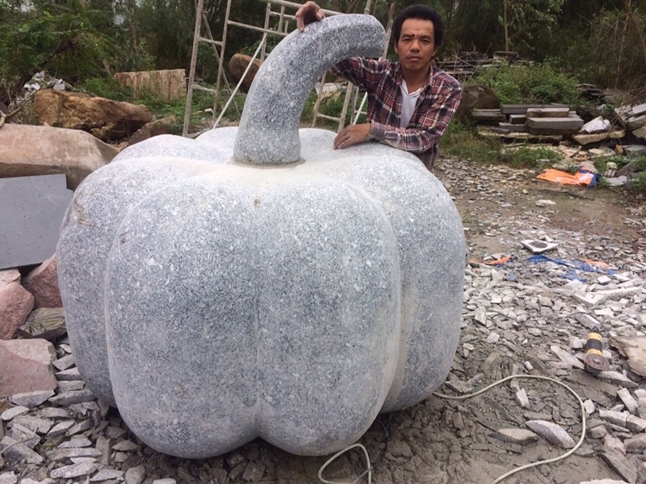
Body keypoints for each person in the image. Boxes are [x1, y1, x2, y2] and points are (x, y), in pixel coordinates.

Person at [295, 1, 461, 171]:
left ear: (434, 49)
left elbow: (423, 139)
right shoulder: (381, 73)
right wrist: (315, 28)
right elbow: (339, 62)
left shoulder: (447, 88)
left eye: (424, 40)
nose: (415, 47)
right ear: (396, 46)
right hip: (375, 170)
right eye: (407, 39)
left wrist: (372, 130)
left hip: (415, 176)